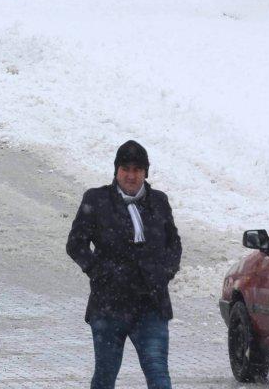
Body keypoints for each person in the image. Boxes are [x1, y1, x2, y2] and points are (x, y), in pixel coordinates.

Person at [67, 141, 182, 389]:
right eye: (125, 169)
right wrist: (99, 273)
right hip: (109, 306)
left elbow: (174, 244)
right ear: (116, 171)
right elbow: (76, 244)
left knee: (158, 373)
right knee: (105, 376)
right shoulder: (96, 200)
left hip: (151, 304)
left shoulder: (159, 202)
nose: (131, 176)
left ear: (145, 172)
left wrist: (164, 273)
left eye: (137, 170)